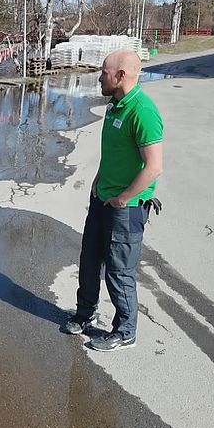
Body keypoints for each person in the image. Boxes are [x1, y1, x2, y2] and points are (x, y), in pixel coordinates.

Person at [65, 50, 164, 352]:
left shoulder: (142, 111)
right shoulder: (114, 106)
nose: (99, 77)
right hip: (102, 199)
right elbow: (115, 153)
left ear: (121, 75)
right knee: (90, 259)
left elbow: (154, 167)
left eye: (104, 72)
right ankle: (85, 313)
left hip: (127, 208)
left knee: (119, 271)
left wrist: (124, 198)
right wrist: (98, 180)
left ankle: (125, 331)